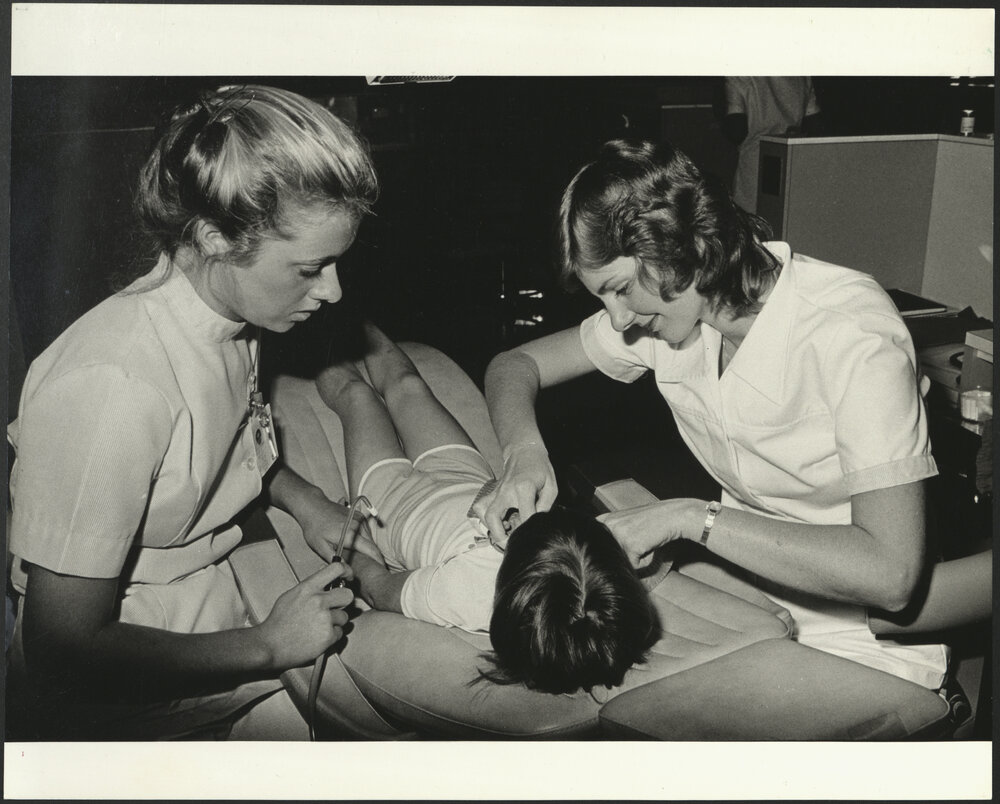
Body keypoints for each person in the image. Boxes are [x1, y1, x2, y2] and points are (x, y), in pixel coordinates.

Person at [477, 138, 948, 690]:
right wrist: (523, 454)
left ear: (680, 245)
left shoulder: (850, 334)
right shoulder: (678, 316)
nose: (619, 320)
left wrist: (689, 518)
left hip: (856, 623)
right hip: (746, 591)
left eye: (621, 289)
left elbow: (890, 574)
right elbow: (513, 367)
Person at [6, 84, 379, 740]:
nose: (333, 291)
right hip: (126, 665)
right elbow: (61, 648)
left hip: (207, 588)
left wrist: (305, 498)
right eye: (309, 269)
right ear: (213, 236)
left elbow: (226, 441)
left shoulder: (233, 312)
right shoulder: (112, 388)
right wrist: (269, 644)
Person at [315, 322, 659, 694]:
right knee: (407, 384)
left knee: (356, 396)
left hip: (397, 507)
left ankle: (314, 329)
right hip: (464, 475)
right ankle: (355, 315)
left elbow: (380, 589)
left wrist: (354, 541)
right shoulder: (594, 571)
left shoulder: (461, 593)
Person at [722, 76, 821, 212]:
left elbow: (737, 130)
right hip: (791, 161)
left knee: (753, 221)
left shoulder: (740, 75)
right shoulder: (801, 75)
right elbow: (813, 123)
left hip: (755, 165)